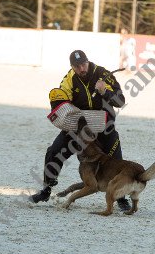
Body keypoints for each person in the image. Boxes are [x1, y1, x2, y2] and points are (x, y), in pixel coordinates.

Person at [30, 49, 131, 211]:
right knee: (54, 151)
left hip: (104, 127)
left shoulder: (103, 74)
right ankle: (46, 189)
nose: (81, 69)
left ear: (88, 61)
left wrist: (105, 91)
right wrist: (59, 102)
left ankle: (121, 197)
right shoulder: (69, 79)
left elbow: (120, 101)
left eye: (83, 64)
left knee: (116, 159)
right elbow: (62, 101)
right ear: (72, 67)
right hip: (79, 127)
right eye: (77, 66)